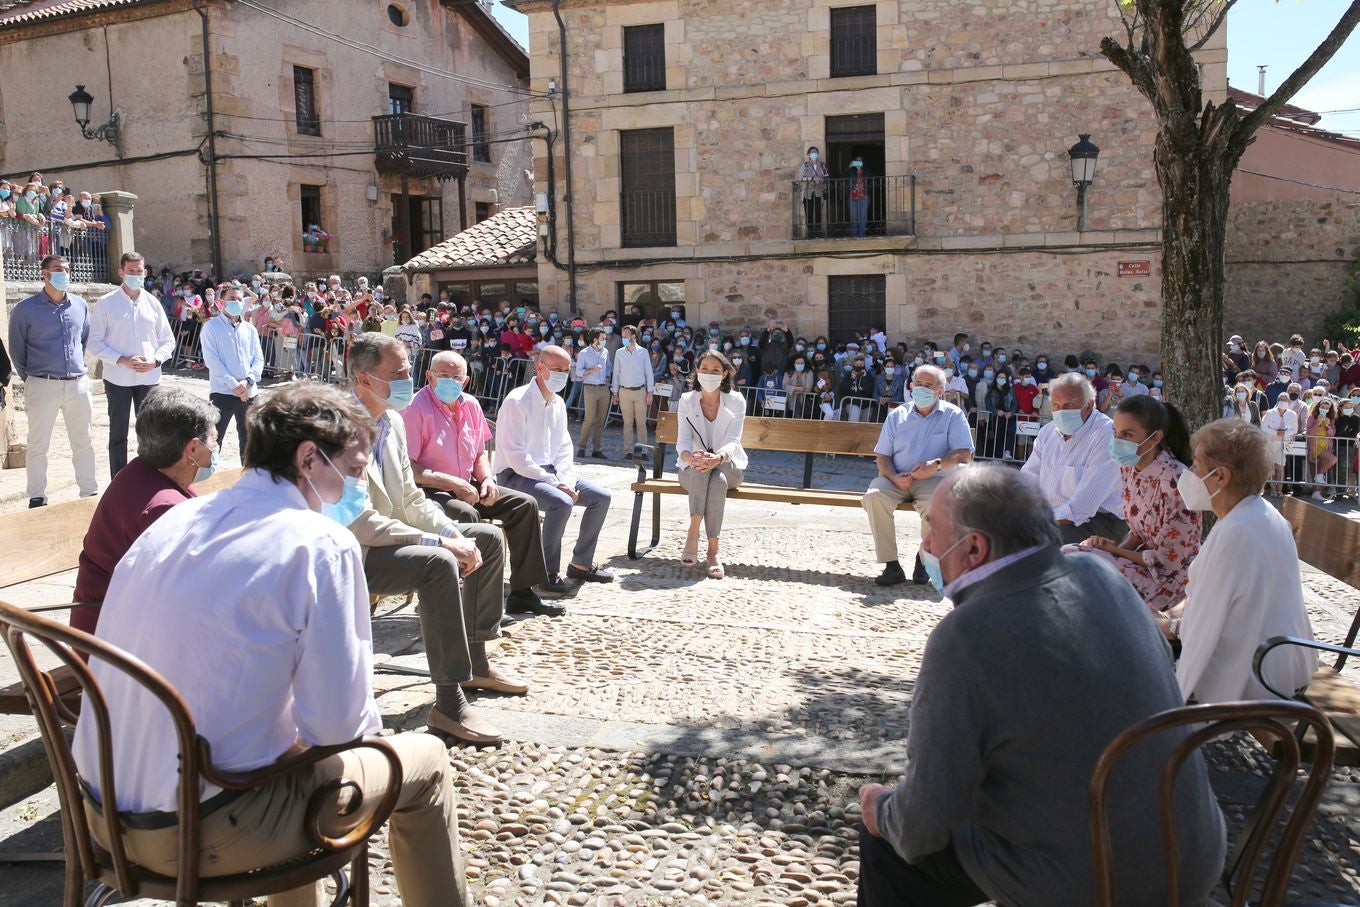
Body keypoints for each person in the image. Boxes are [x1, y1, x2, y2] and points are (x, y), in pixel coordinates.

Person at [72, 383, 472, 907]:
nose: (355, 486)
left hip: (100, 816)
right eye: (353, 472)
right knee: (427, 760)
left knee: (287, 759)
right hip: (206, 828)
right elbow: (340, 728)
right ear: (309, 458)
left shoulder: (176, 521)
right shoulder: (320, 543)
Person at [855, 464, 1224, 906]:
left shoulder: (966, 635)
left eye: (932, 528)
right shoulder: (1104, 576)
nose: (927, 545)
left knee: (889, 845)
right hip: (1193, 861)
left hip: (1091, 887)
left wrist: (881, 807)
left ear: (974, 547)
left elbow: (923, 825)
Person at [345, 335, 519, 745]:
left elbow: (409, 497)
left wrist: (452, 533)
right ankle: (449, 700)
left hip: (391, 535)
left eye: (408, 369)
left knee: (487, 539)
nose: (408, 380)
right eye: (398, 373)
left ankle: (476, 658)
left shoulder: (393, 420)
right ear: (364, 380)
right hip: (353, 550)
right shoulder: (340, 428)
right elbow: (360, 522)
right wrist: (439, 545)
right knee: (438, 565)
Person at [1159, 419, 1316, 704]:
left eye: (1196, 466)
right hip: (1274, 659)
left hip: (1259, 676)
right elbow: (1205, 599)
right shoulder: (1254, 513)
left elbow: (1204, 627)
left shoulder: (1238, 531)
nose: (1190, 473)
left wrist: (1165, 626)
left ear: (1221, 476)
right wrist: (1171, 616)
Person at [403, 351, 564, 613]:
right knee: (467, 515)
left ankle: (523, 592)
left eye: (456, 377)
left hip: (467, 485)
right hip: (429, 490)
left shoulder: (471, 405)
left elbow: (478, 452)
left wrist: (487, 478)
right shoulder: (415, 408)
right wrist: (454, 484)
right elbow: (410, 468)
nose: (450, 382)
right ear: (429, 376)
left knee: (525, 506)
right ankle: (471, 599)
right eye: (444, 376)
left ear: (465, 381)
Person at [71, 387, 218, 639]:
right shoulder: (163, 509)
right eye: (214, 440)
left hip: (108, 624)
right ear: (193, 450)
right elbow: (190, 592)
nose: (216, 448)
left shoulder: (143, 469)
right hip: (114, 642)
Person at [494, 346, 614, 590]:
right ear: (540, 368)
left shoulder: (558, 402)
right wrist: (554, 483)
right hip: (515, 475)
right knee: (561, 503)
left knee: (601, 497)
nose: (562, 375)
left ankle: (581, 563)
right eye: (557, 369)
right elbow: (516, 456)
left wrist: (566, 480)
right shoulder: (517, 401)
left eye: (566, 370)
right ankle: (544, 573)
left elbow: (563, 448)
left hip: (549, 472)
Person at [1069, 395, 1201, 614]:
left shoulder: (1178, 481)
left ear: (1154, 438)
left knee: (1079, 565)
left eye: (1127, 434)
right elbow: (1138, 531)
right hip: (1141, 567)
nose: (1118, 441)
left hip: (1170, 583)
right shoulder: (1130, 468)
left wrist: (1112, 552)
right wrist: (1108, 550)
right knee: (1077, 554)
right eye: (1115, 433)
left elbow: (1167, 564)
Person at [861, 365, 974, 586]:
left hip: (934, 479)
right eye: (918, 384)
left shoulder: (953, 415)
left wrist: (935, 465)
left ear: (940, 391)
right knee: (874, 496)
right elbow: (882, 457)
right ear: (911, 386)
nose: (922, 389)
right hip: (896, 477)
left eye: (929, 386)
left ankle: (923, 560)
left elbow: (964, 454)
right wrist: (893, 477)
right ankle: (891, 565)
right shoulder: (897, 415)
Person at [8, 255, 98, 508]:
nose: (64, 273)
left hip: (77, 384)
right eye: (58, 269)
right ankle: (37, 496)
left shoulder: (79, 305)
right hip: (42, 383)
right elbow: (17, 350)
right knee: (38, 444)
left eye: (67, 269)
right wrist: (34, 378)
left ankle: (89, 491)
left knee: (84, 441)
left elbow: (83, 340)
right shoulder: (25, 309)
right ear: (45, 274)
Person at [89, 252, 177, 478]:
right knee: (118, 433)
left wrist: (155, 360)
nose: (136, 276)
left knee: (149, 432)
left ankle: (147, 478)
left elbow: (168, 340)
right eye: (131, 271)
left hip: (149, 379)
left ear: (145, 273)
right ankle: (119, 480)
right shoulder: (106, 302)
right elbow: (93, 342)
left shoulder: (153, 303)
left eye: (139, 272)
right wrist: (122, 359)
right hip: (118, 377)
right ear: (121, 272)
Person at [1020, 373, 1126, 544]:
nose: (1062, 411)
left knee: (1033, 545)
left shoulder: (1107, 436)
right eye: (1056, 405)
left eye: (1070, 405)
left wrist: (1034, 523)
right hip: (1053, 516)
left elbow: (1080, 508)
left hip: (1100, 522)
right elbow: (1026, 480)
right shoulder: (1047, 432)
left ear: (1089, 405)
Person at [675, 351, 747, 579]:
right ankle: (713, 551)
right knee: (715, 480)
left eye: (715, 370)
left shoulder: (736, 400)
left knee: (716, 472)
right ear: (697, 371)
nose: (709, 373)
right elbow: (683, 440)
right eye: (704, 368)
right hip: (693, 466)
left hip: (728, 464)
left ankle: (693, 533)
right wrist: (689, 457)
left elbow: (733, 439)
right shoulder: (687, 400)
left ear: (725, 373)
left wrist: (718, 457)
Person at [200, 284, 264, 454]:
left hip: (250, 393)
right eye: (232, 299)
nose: (236, 302)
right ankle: (206, 479)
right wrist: (234, 385)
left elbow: (258, 358)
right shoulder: (211, 328)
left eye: (239, 299)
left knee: (251, 442)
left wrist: (248, 381)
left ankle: (248, 479)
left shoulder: (249, 329)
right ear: (221, 301)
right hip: (223, 392)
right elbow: (212, 361)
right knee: (212, 440)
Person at [611, 324, 655, 460]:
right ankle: (628, 451)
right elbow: (616, 374)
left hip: (640, 391)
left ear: (633, 336)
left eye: (626, 336)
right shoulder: (619, 352)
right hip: (624, 392)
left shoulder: (643, 352)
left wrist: (650, 392)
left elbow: (649, 372)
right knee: (628, 423)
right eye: (623, 336)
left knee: (641, 423)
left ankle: (643, 452)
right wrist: (615, 393)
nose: (623, 338)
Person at [575, 328, 610, 458]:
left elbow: (609, 366)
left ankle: (597, 449)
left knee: (600, 421)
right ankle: (581, 447)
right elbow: (578, 371)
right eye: (603, 338)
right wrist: (591, 370)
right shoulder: (584, 353)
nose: (604, 341)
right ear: (595, 339)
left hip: (603, 389)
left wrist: (608, 377)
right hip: (590, 388)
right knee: (589, 420)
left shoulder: (605, 351)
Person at [1259, 392, 1298, 496]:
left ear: (1289, 402)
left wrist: (1284, 433)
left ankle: (1279, 490)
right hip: (1271, 442)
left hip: (1285, 443)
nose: (1283, 401)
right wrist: (1276, 432)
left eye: (1285, 400)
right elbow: (1264, 427)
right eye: (1281, 399)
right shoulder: (1270, 413)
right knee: (1271, 467)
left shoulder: (1292, 414)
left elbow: (1295, 429)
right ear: (1277, 401)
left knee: (1281, 467)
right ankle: (1273, 490)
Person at [1305, 395, 1338, 501]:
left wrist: (1328, 426)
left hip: (1325, 445)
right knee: (1333, 459)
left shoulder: (1331, 419)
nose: (1324, 409)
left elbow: (1332, 434)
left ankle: (1317, 492)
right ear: (1318, 406)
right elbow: (1309, 432)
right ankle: (1318, 476)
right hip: (1314, 445)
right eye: (1322, 407)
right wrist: (1318, 423)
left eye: (1326, 408)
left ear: (1329, 409)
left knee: (1320, 469)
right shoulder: (1312, 417)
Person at [796, 146, 829, 238]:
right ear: (809, 154)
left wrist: (820, 179)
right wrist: (812, 178)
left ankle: (818, 232)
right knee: (809, 214)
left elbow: (827, 177)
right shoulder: (805, 165)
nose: (814, 154)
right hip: (808, 194)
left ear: (817, 154)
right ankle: (810, 233)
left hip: (818, 193)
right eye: (812, 152)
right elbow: (800, 178)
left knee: (818, 213)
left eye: (815, 152)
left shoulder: (822, 165)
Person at [845, 154, 871, 237]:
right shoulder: (850, 171)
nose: (859, 162)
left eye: (860, 161)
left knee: (862, 218)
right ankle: (854, 236)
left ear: (863, 162)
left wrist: (860, 170)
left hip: (864, 197)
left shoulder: (867, 171)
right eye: (857, 161)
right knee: (854, 218)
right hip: (852, 197)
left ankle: (861, 236)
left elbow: (871, 180)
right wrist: (848, 167)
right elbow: (843, 176)